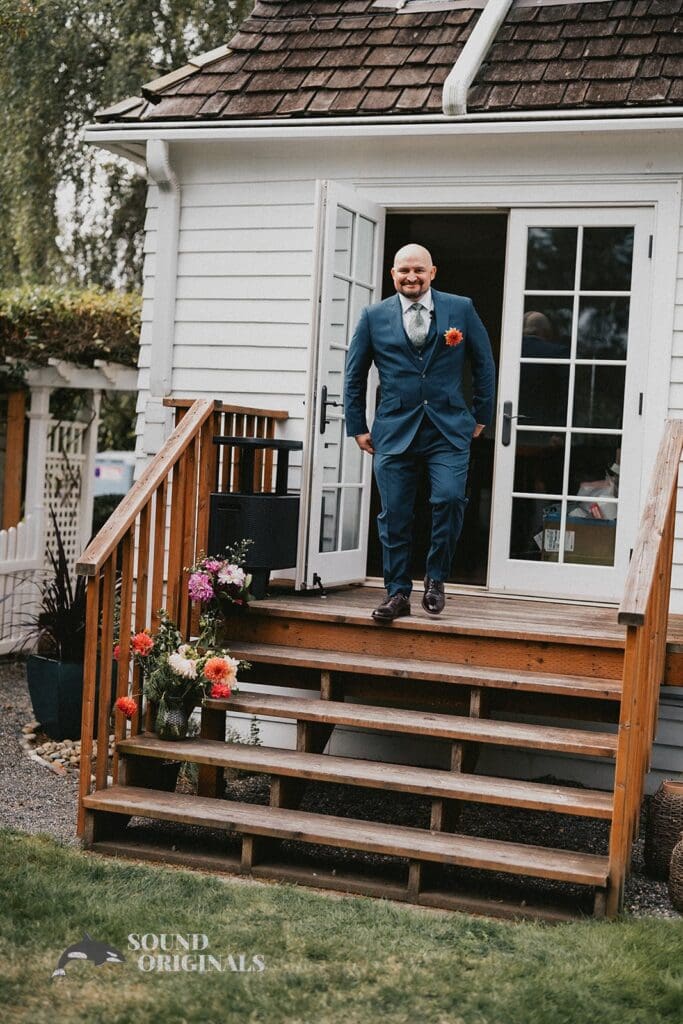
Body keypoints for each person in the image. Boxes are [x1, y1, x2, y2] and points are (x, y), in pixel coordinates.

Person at [344, 243, 496, 622]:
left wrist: (481, 413)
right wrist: (357, 425)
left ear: (433, 273)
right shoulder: (373, 316)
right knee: (394, 514)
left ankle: (436, 577)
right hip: (394, 429)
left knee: (448, 500)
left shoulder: (460, 308)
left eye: (419, 270)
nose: (411, 276)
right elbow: (354, 374)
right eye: (403, 270)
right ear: (392, 275)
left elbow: (484, 363)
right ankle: (397, 593)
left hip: (448, 428)